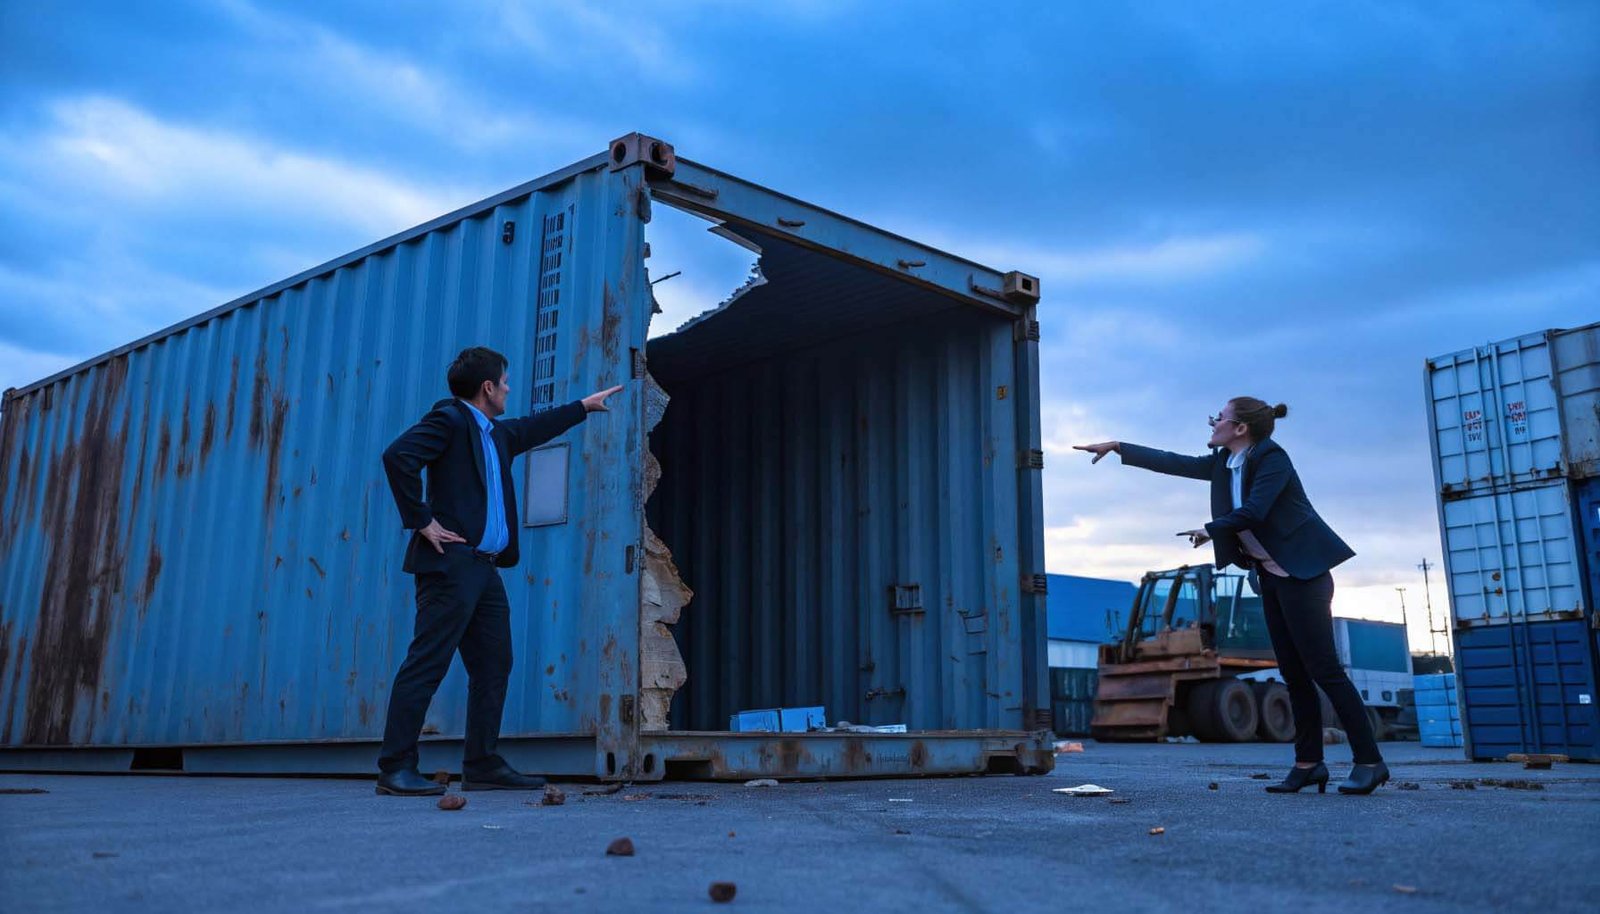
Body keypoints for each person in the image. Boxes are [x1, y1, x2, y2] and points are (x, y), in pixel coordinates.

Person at [1074, 397, 1389, 795]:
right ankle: (1309, 764)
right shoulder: (1224, 464)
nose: (1212, 425)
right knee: (1292, 675)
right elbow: (1175, 462)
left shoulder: (1273, 459)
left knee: (1324, 671)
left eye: (1218, 419)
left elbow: (1256, 511)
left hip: (1303, 576)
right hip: (1271, 578)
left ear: (1240, 428)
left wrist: (1211, 529)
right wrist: (1120, 446)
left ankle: (1370, 762)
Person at [374, 346, 622, 796]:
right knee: (428, 662)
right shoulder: (450, 420)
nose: (509, 388)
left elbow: (532, 428)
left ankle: (482, 763)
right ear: (487, 388)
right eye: (504, 382)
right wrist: (421, 518)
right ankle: (395, 768)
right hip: (451, 565)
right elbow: (398, 457)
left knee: (494, 664)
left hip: (485, 570)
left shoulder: (497, 436)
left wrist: (583, 407)